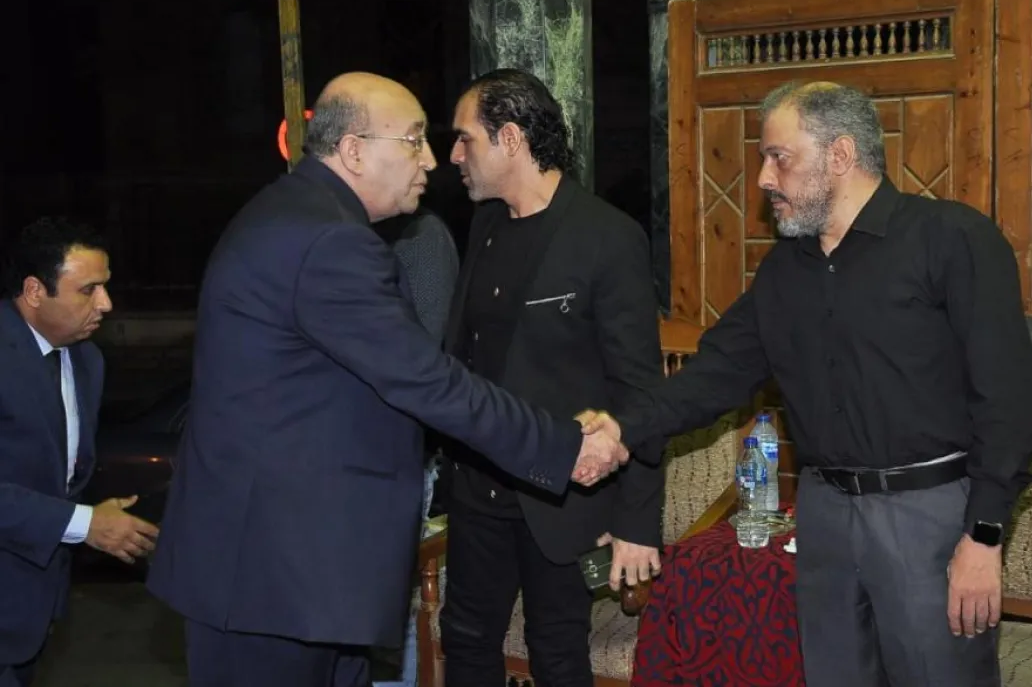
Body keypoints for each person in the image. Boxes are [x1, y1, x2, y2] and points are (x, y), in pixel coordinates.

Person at [145, 72, 628, 687]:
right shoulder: (327, 241)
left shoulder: (305, 217)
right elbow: (427, 381)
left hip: (300, 576)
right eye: (414, 139)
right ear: (353, 150)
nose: (431, 159)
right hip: (272, 581)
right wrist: (564, 446)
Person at [583, 81, 1032, 686]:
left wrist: (983, 536)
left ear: (841, 154)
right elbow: (715, 375)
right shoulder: (784, 271)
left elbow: (1008, 398)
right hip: (824, 515)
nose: (764, 179)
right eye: (764, 160)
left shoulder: (950, 239)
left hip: (930, 514)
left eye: (780, 158)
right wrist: (621, 428)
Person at [438, 69, 664, 687]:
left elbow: (641, 392)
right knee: (465, 639)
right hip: (477, 489)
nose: (454, 155)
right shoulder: (484, 225)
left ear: (510, 138)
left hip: (562, 498)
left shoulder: (607, 237)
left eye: (465, 139)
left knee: (557, 651)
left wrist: (637, 525)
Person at [0, 217, 159, 687]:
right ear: (34, 291)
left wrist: (90, 515)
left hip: (29, 611)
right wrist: (84, 523)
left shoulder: (87, 360)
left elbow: (53, 477)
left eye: (105, 287)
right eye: (88, 290)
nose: (106, 304)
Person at [382, 207, 460, 686]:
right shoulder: (357, 230)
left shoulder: (421, 239)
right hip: (375, 454)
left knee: (417, 596)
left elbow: (422, 361)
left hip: (411, 453)